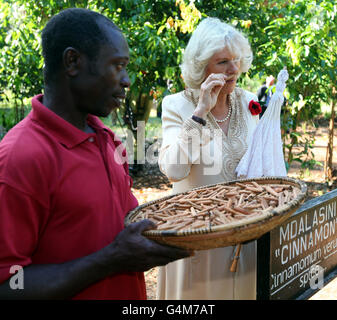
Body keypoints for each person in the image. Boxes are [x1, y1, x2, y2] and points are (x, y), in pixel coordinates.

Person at [0, 8, 190, 300]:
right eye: (118, 66)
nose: (126, 81)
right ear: (73, 62)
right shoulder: (21, 157)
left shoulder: (107, 140)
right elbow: (7, 286)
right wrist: (110, 260)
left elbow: (123, 225)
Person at [157, 17, 260, 300]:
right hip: (198, 239)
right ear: (202, 67)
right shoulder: (177, 105)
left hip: (245, 236)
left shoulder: (249, 102)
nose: (234, 69)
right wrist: (201, 111)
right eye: (223, 62)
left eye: (237, 60)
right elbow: (174, 170)